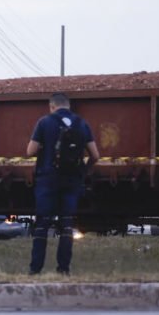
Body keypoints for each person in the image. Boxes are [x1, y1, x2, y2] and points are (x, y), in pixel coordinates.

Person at [25, 92, 100, 275]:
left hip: (47, 179)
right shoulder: (82, 123)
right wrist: (83, 170)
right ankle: (63, 269)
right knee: (67, 225)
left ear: (52, 106)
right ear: (68, 105)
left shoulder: (44, 122)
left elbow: (30, 151)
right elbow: (95, 155)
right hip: (72, 180)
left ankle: (35, 270)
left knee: (42, 224)